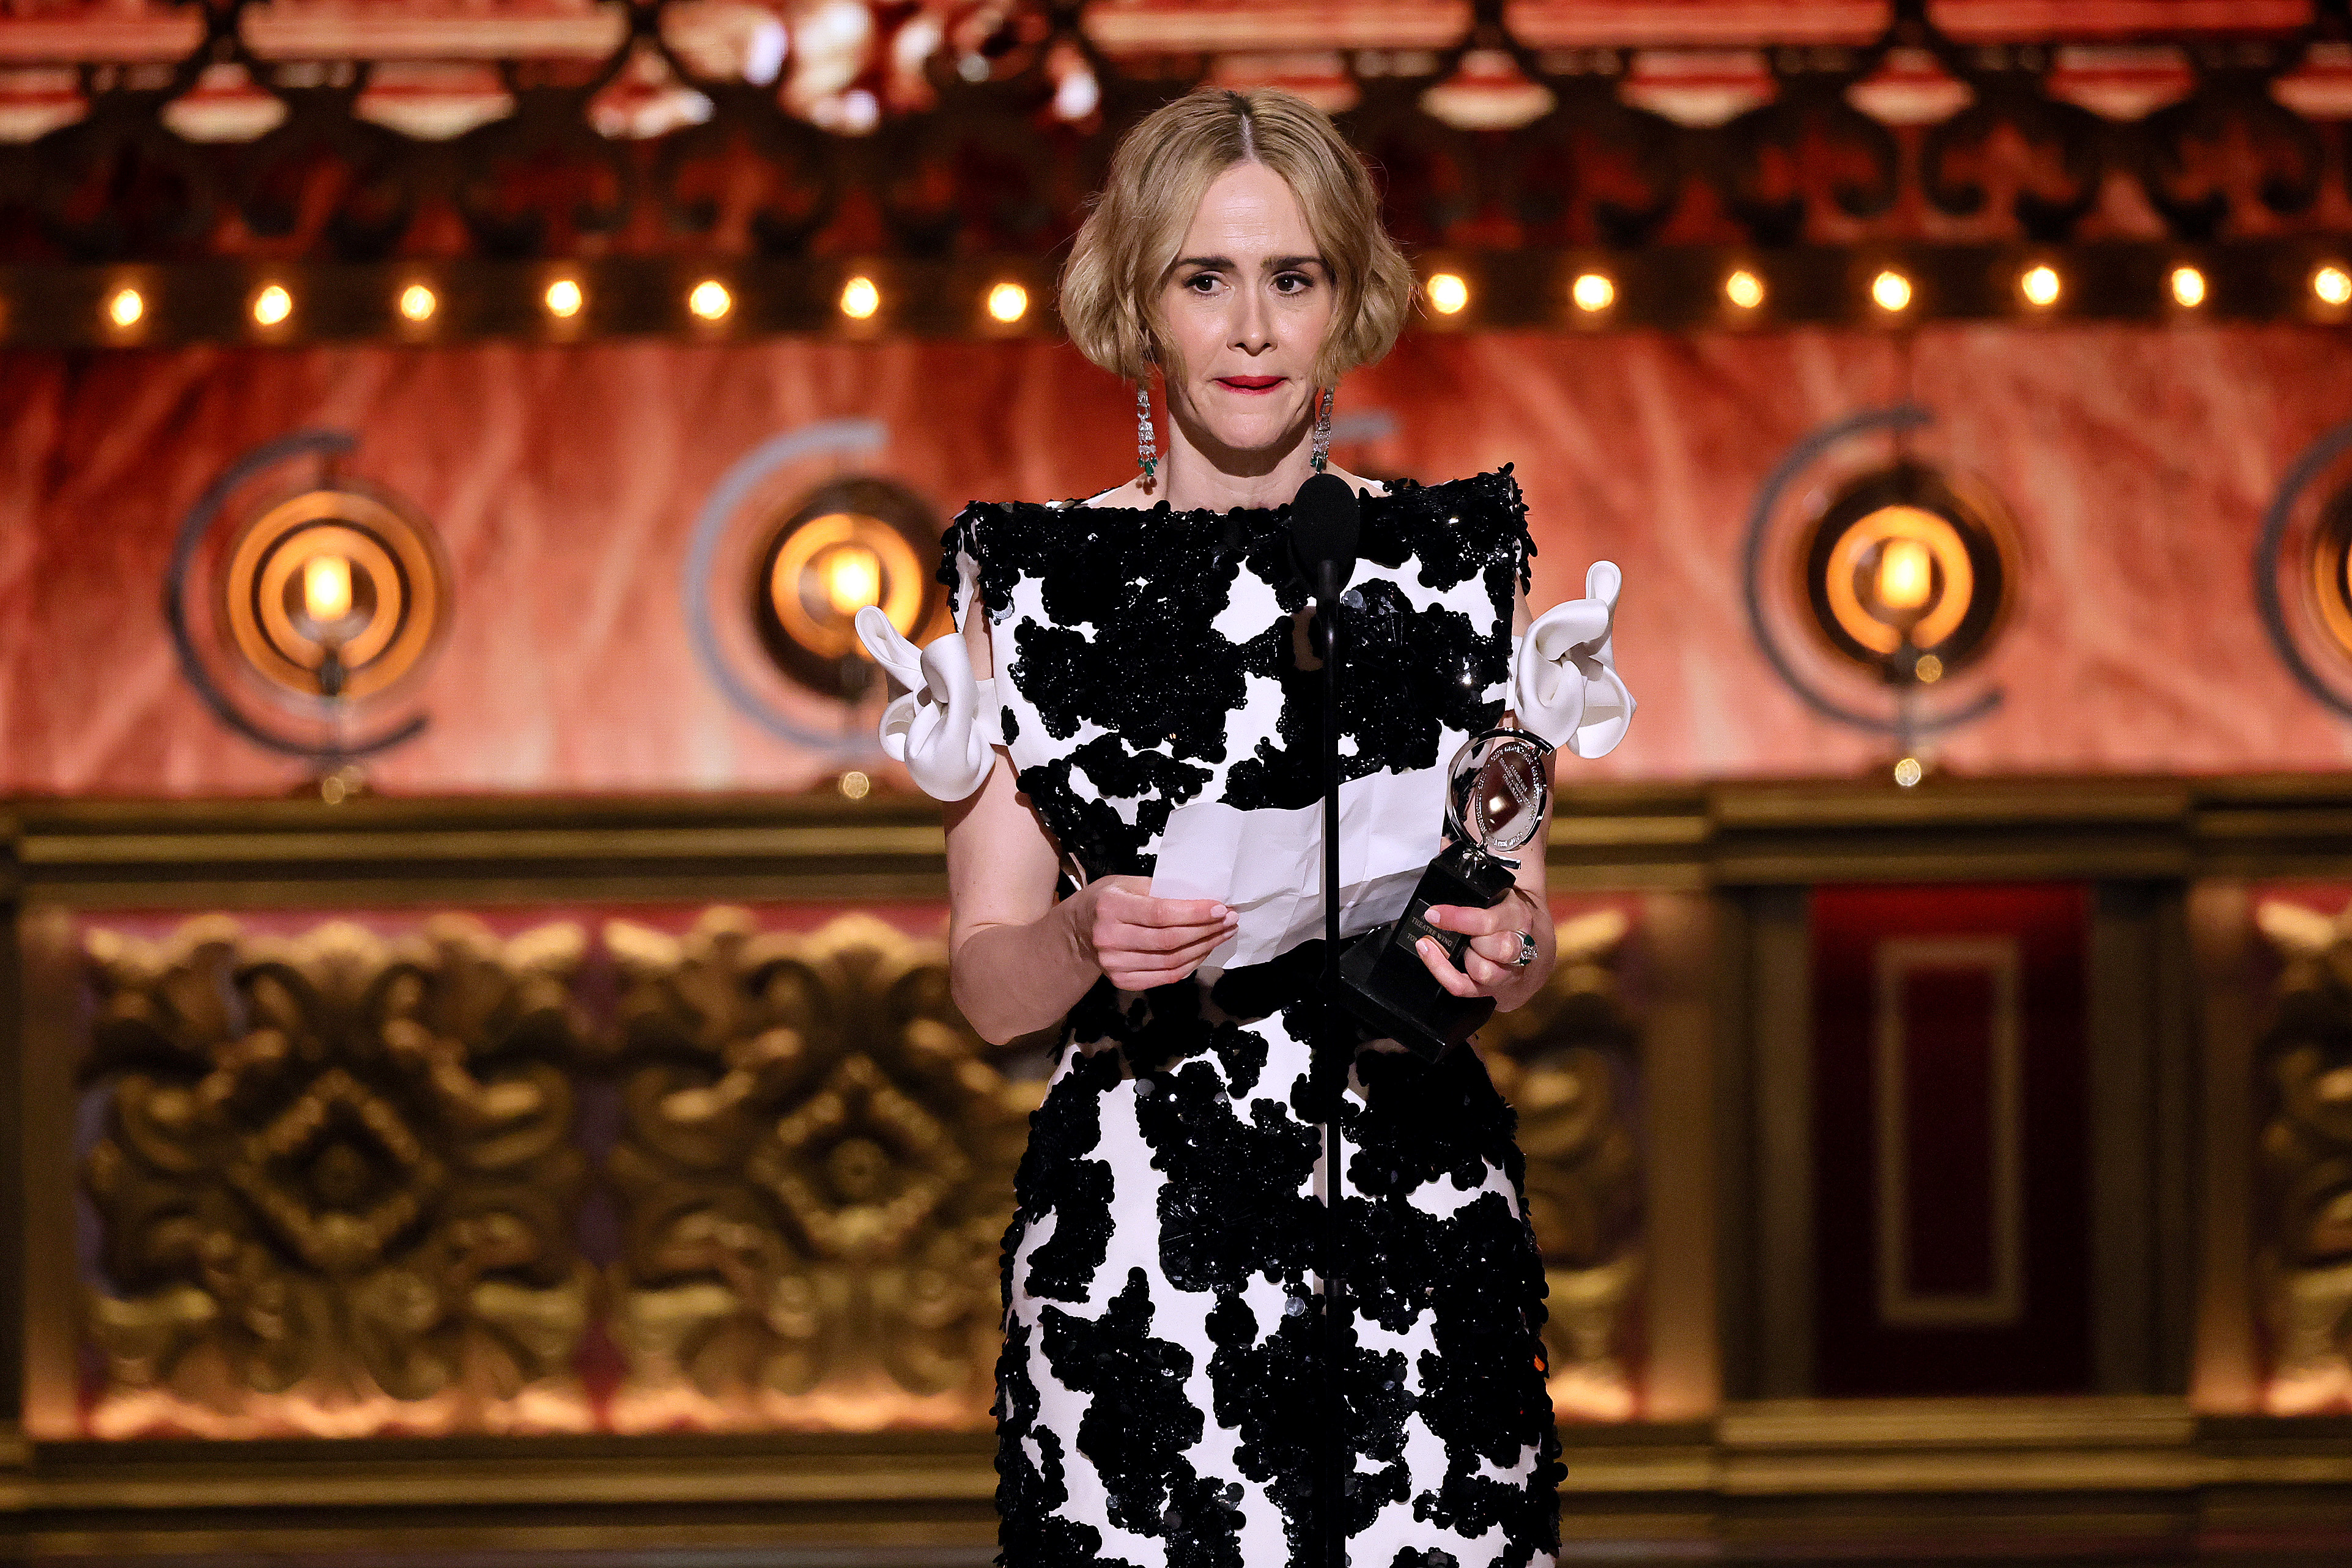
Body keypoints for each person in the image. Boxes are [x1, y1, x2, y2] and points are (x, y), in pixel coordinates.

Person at [857, 86, 1632, 1568]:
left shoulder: (1461, 571)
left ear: (1347, 301)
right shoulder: (1027, 591)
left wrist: (1507, 945)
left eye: (1293, 278)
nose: (1254, 328)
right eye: (1206, 280)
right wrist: (1083, 935)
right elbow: (985, 986)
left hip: (1419, 1223)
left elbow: (1523, 923)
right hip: (1146, 1247)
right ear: (1140, 303)